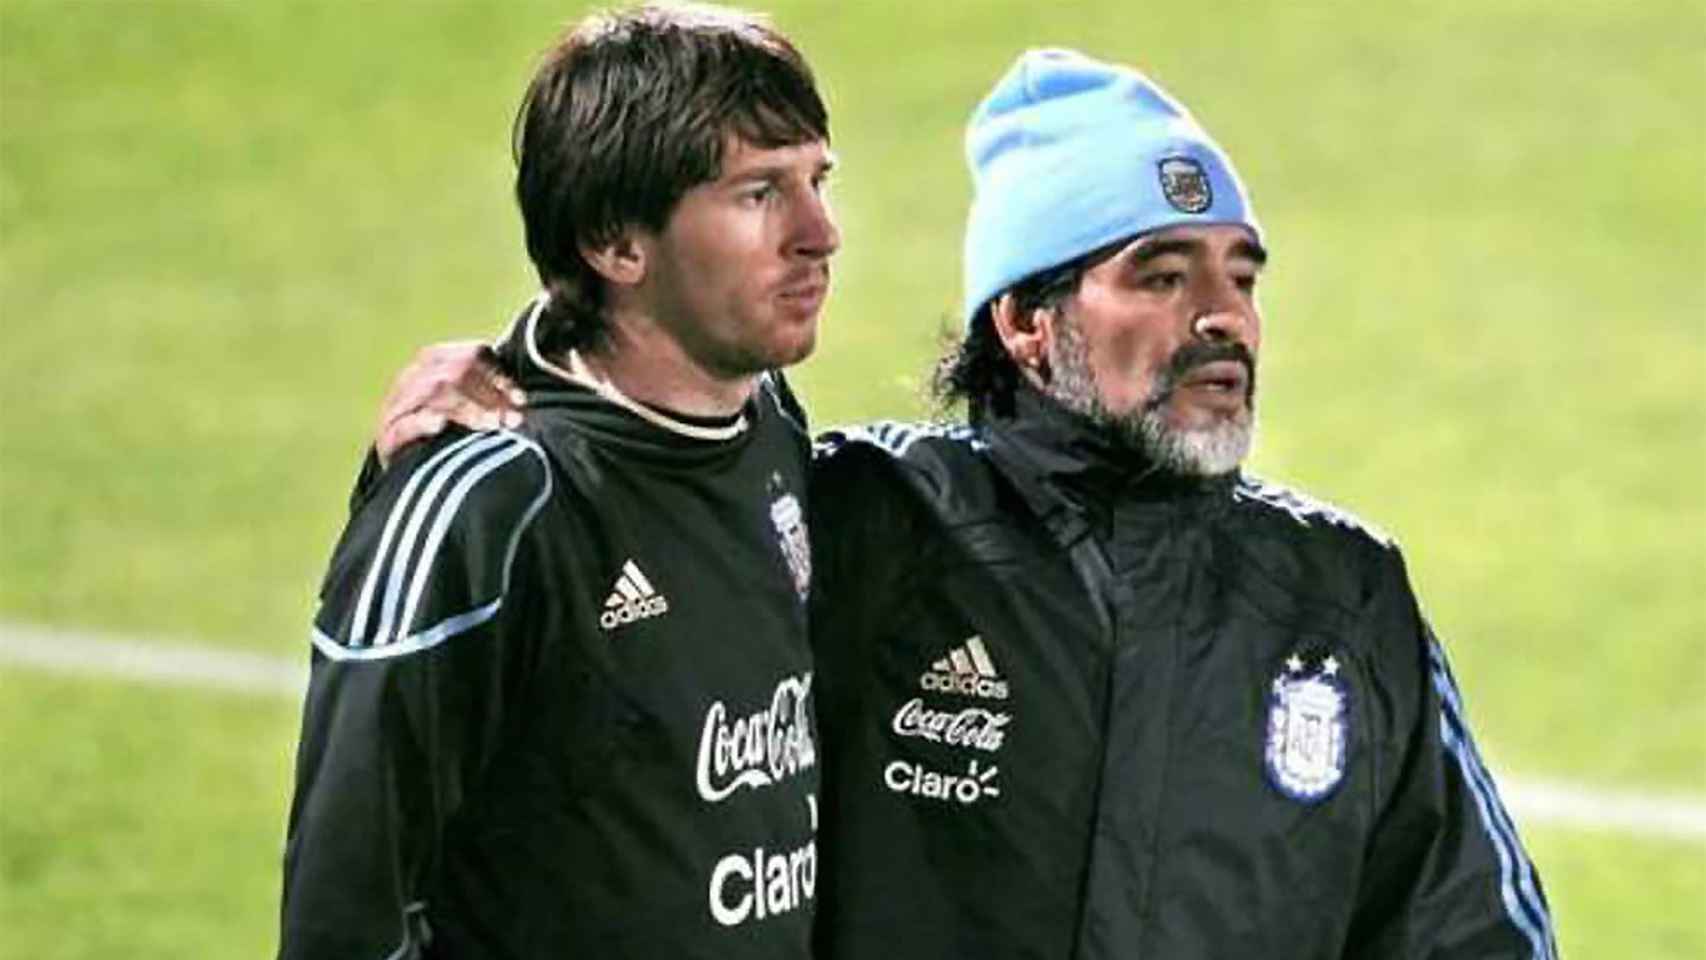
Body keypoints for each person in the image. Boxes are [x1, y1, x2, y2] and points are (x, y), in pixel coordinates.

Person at [375, 46, 1557, 960]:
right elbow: (599, 572)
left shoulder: (1337, 595)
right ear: (1026, 324)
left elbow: (1470, 928)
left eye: (1239, 273)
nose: (1222, 315)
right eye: (1159, 273)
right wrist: (488, 409)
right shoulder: (857, 523)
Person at [279, 5, 837, 958]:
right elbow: (344, 917)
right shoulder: (491, 510)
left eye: (818, 181)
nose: (819, 233)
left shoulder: (767, 423)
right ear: (617, 242)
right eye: (757, 194)